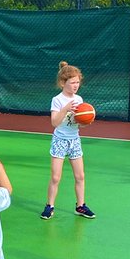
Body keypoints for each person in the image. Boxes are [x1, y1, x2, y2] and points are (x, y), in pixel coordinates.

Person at [41, 61, 94, 220]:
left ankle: (80, 206)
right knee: (56, 177)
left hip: (74, 140)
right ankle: (49, 206)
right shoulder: (57, 100)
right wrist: (65, 109)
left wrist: (86, 120)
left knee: (80, 176)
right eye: (72, 83)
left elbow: (77, 123)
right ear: (63, 83)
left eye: (78, 82)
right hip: (60, 141)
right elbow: (54, 123)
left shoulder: (79, 98)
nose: (76, 85)